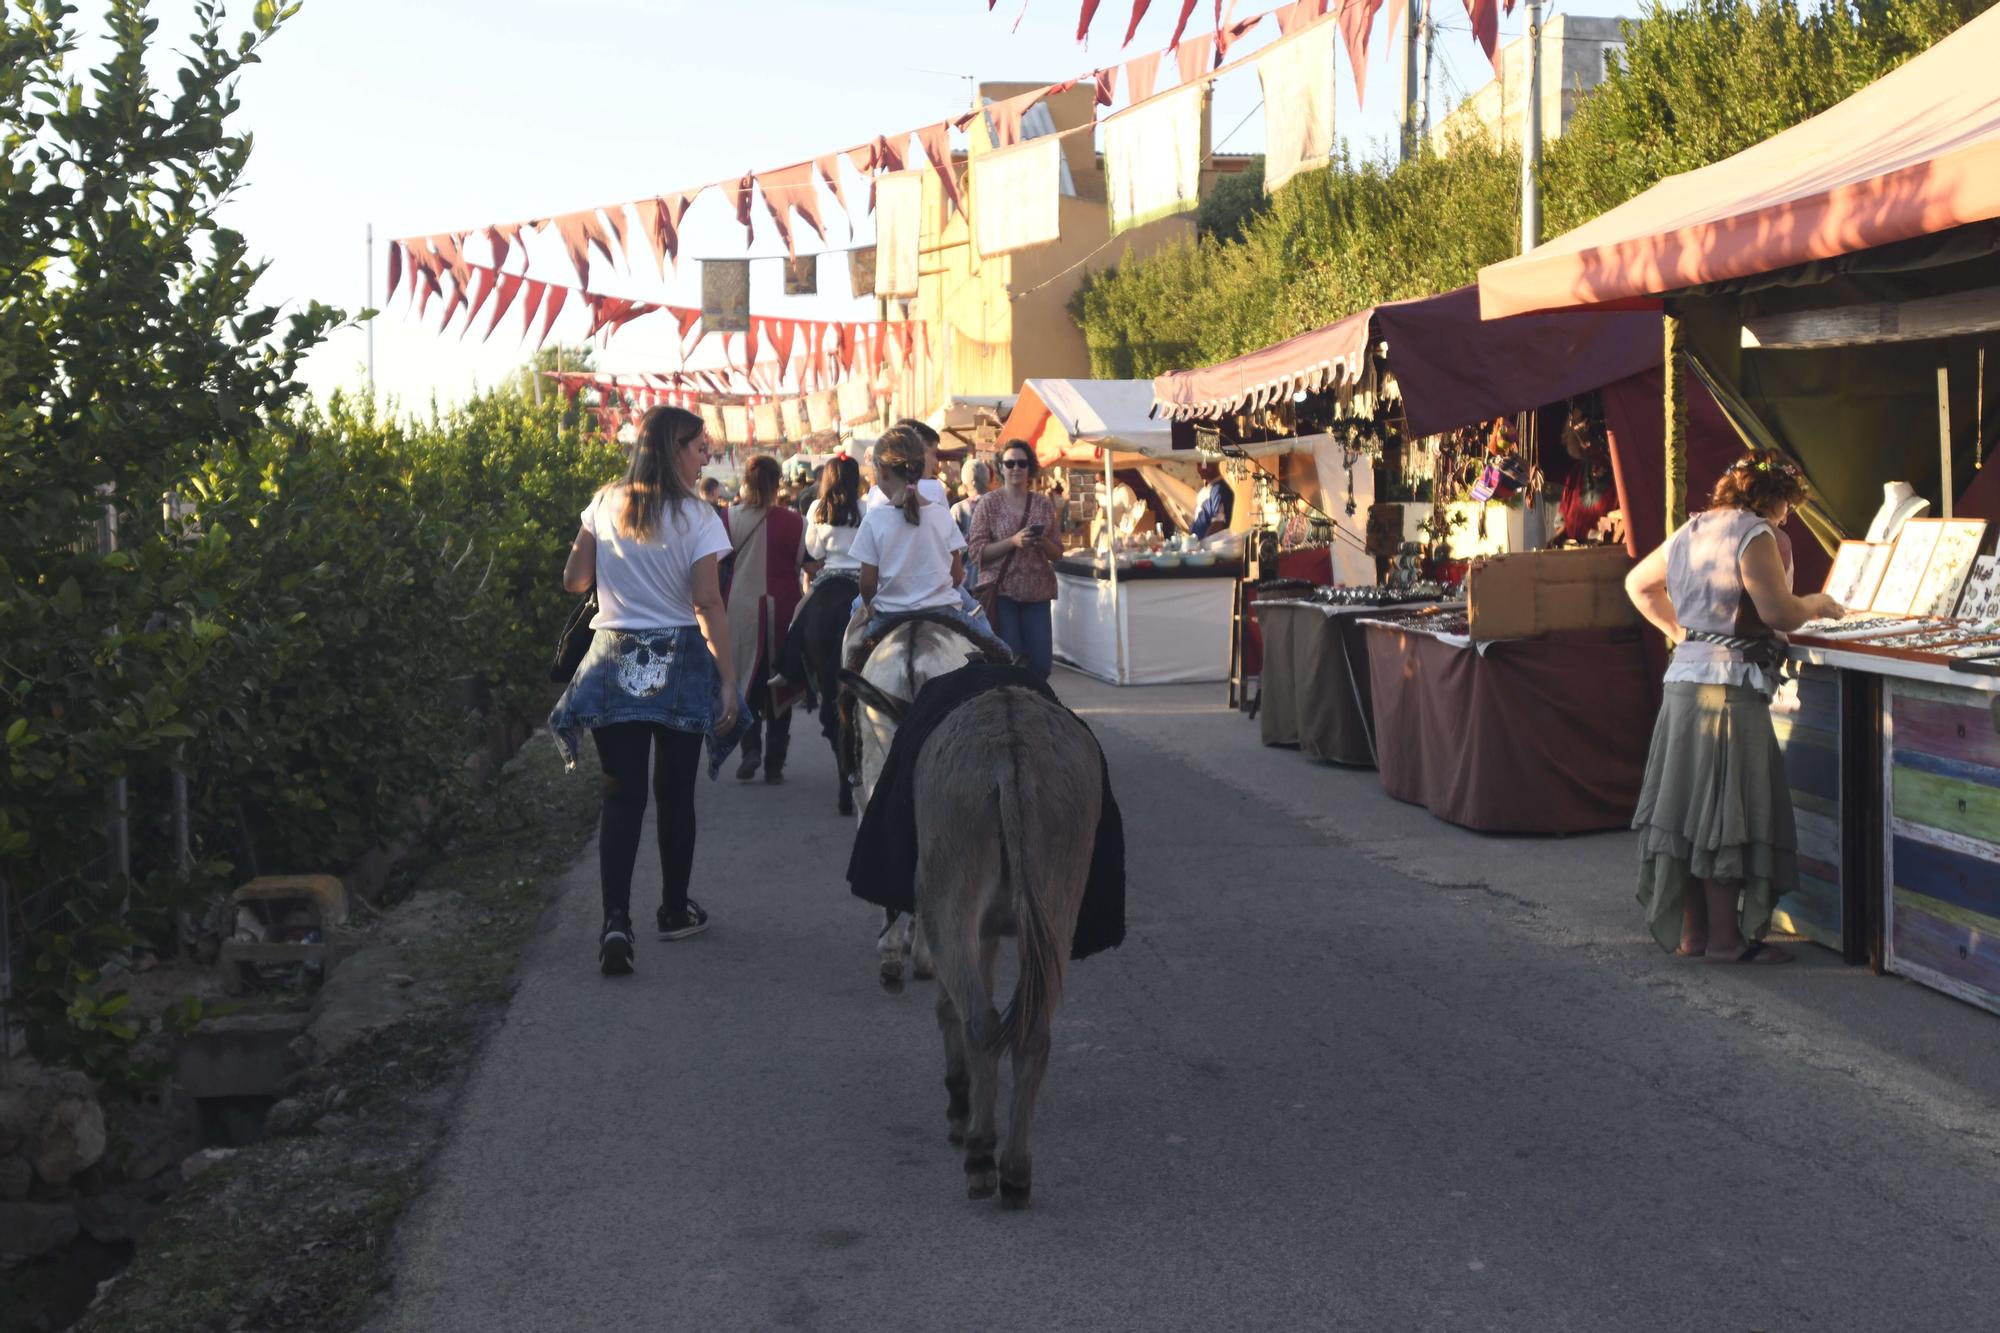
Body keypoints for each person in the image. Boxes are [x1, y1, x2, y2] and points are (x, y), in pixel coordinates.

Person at [1624, 449, 1844, 965]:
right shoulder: (1754, 533)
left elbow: (1638, 584)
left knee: (1685, 813)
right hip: (1728, 688)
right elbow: (1777, 611)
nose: (1788, 515)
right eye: (1787, 504)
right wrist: (1817, 603)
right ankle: (1725, 941)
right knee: (1725, 813)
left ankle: (1694, 936)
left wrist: (1682, 633)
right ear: (1772, 498)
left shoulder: (1693, 529)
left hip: (1683, 683)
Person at [551, 406, 739, 975]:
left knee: (621, 795)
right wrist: (729, 678)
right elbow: (707, 602)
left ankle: (615, 923)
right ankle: (674, 911)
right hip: (679, 659)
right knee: (674, 794)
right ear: (674, 449)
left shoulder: (605, 502)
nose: (704, 454)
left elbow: (574, 581)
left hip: (613, 659)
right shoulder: (699, 516)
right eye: (698, 445)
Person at [771, 456, 867, 810]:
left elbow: (813, 551)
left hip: (829, 578)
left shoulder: (816, 508)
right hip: (860, 582)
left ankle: (787, 670)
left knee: (799, 618)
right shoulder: (867, 507)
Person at [849, 425, 986, 644]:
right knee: (989, 640)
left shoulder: (873, 520)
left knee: (853, 651)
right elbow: (958, 576)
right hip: (942, 612)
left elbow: (867, 585)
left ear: (882, 470)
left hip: (889, 615)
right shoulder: (942, 515)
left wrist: (870, 606)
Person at [724, 455, 808, 784]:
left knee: (746, 681)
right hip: (783, 607)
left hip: (740, 608)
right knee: (780, 684)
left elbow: (717, 563)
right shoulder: (794, 521)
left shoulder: (727, 518)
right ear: (777, 484)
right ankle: (775, 760)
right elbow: (809, 564)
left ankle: (750, 751)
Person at [967, 439, 1063, 680]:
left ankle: (1034, 705)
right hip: (1002, 594)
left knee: (1041, 666)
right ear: (1001, 468)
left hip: (1037, 592)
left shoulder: (1042, 503)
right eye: (1010, 463)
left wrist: (1043, 543)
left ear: (1030, 467)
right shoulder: (988, 504)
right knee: (1011, 661)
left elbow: (1058, 553)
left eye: (1021, 463)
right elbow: (976, 552)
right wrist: (1013, 541)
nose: (1016, 468)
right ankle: (1015, 712)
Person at [863, 418, 949, 513]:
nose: (936, 461)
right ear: (919, 451)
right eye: (933, 453)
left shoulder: (875, 494)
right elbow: (948, 526)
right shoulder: (935, 489)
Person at [1190, 463, 1235, 540]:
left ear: (1214, 464)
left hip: (1211, 548)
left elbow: (1218, 524)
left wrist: (1201, 545)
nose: (1200, 469)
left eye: (1203, 465)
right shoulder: (1206, 489)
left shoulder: (1220, 490)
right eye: (1198, 465)